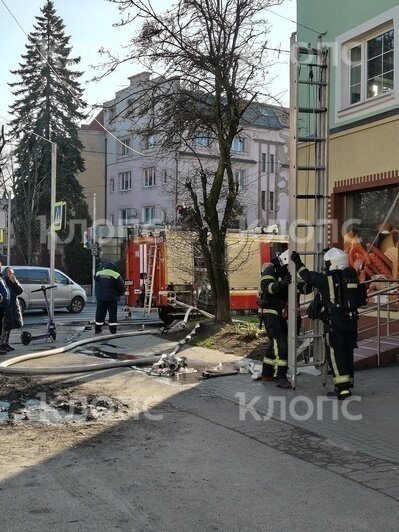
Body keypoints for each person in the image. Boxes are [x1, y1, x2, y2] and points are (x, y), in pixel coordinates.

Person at [291, 248, 367, 400]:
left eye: (327, 263)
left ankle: (342, 389)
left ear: (332, 263)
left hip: (335, 324)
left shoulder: (326, 279)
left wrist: (297, 261)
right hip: (351, 322)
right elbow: (359, 299)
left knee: (335, 353)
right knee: (347, 353)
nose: (325, 266)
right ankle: (348, 383)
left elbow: (306, 275)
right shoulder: (351, 279)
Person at [94, 261, 125, 334]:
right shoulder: (116, 274)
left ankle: (97, 329)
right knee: (112, 314)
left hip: (100, 297)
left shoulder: (98, 273)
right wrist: (119, 294)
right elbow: (122, 286)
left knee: (100, 313)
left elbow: (96, 279)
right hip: (112, 298)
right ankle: (113, 331)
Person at [0, 267, 23, 352]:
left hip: (13, 307)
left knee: (9, 327)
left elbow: (20, 291)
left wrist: (15, 282)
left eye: (12, 273)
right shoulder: (3, 281)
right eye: (10, 273)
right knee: (4, 327)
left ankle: (6, 343)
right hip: (5, 308)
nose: (11, 275)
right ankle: (1, 344)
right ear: (6, 274)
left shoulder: (13, 282)